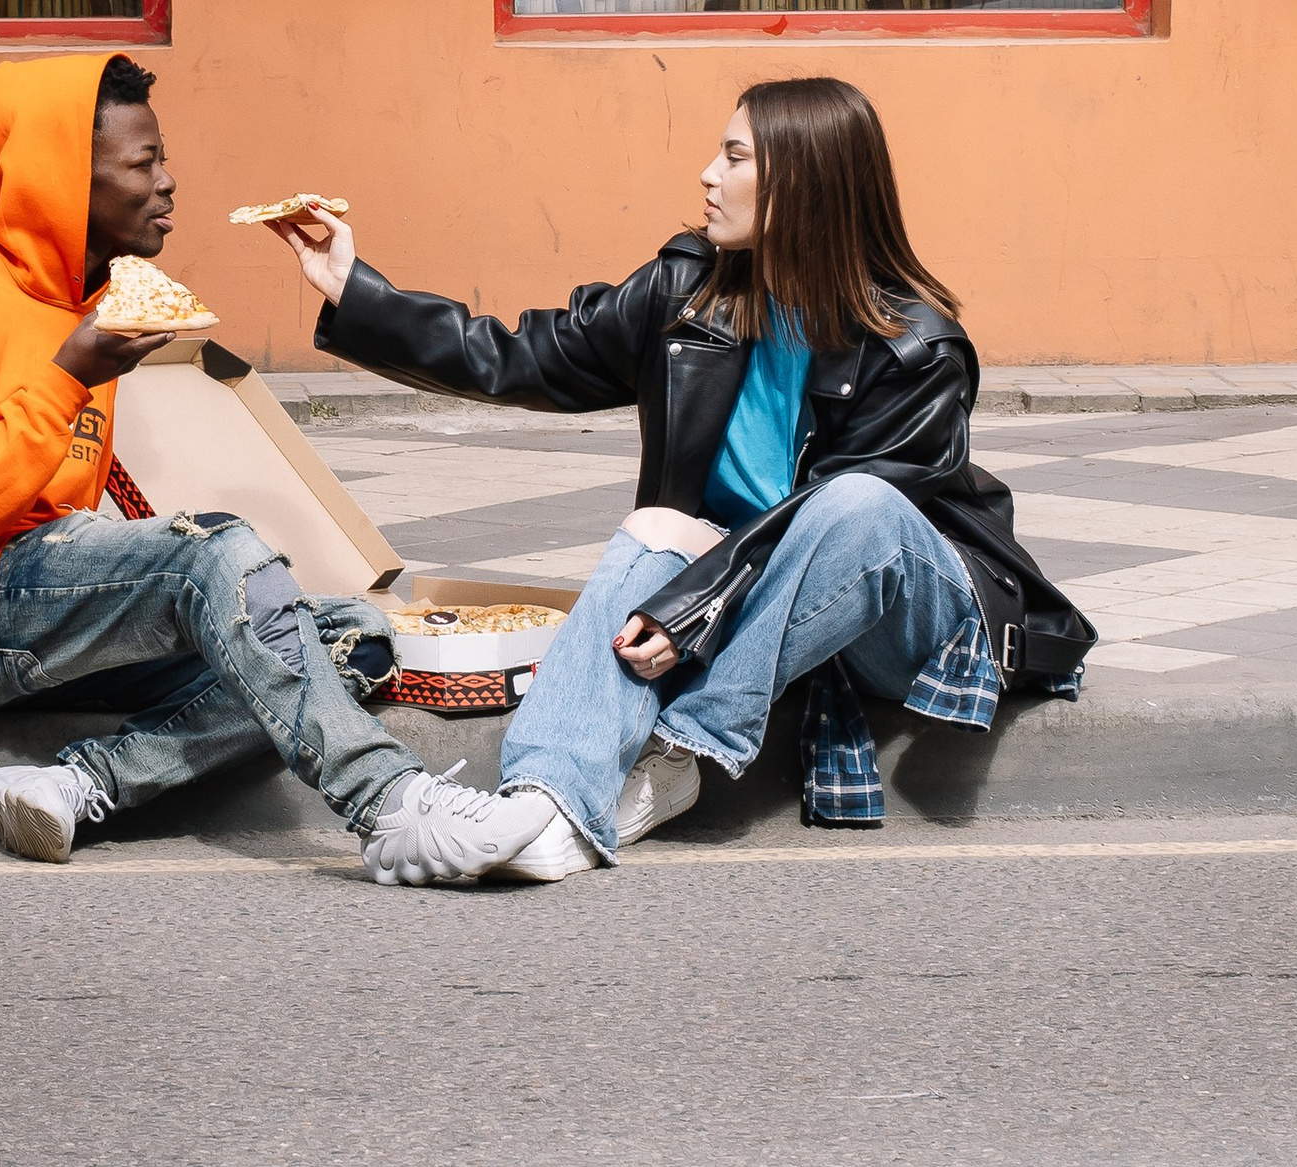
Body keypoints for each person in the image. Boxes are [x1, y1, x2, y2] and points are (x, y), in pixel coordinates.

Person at [269, 75, 1095, 888]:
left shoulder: (915, 349)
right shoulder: (689, 293)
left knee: (856, 502)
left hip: (907, 612)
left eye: (734, 157)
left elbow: (838, 528)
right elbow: (522, 357)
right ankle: (545, 808)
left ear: (802, 186)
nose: (707, 173)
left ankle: (681, 754)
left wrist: (698, 605)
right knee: (657, 527)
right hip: (746, 597)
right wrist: (354, 290)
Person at [0, 52, 558, 877]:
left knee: (352, 636)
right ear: (64, 179)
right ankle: (391, 804)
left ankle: (82, 784)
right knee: (210, 552)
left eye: (164, 158)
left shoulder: (99, 307)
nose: (170, 183)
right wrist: (68, 380)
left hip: (43, 599)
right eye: (143, 163)